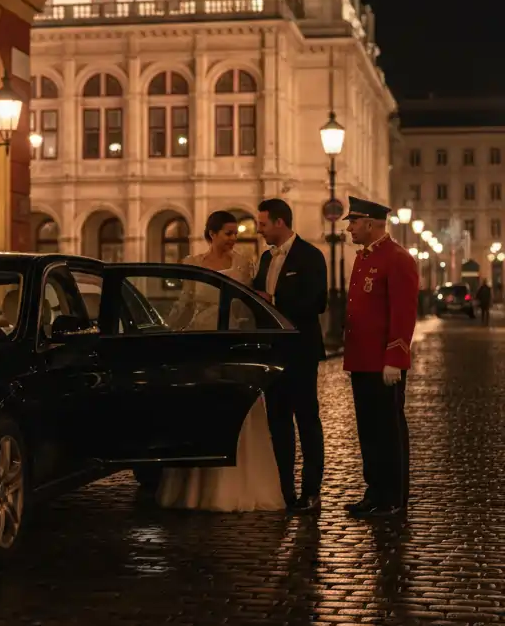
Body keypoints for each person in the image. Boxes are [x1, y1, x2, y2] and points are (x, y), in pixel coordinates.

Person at [156, 210, 286, 513]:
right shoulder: (191, 264)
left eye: (236, 233)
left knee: (236, 409)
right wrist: (166, 333)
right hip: (201, 344)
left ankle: (238, 487)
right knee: (201, 410)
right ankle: (194, 490)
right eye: (228, 233)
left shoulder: (244, 265)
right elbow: (183, 305)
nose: (234, 239)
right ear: (212, 233)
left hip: (232, 344)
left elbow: (249, 306)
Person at [342, 196, 419, 519]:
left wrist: (395, 358)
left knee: (388, 431)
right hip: (362, 360)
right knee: (369, 431)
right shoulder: (365, 258)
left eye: (354, 222)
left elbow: (402, 314)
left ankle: (393, 497)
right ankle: (375, 491)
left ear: (370, 224)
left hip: (382, 363)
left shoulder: (397, 258)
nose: (349, 228)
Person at [253, 198, 329, 514]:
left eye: (263, 224)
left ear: (280, 223)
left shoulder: (311, 256)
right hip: (273, 353)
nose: (260, 231)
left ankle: (311, 490)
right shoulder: (266, 258)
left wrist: (274, 299)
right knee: (278, 421)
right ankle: (285, 489)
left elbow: (317, 302)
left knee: (306, 419)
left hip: (301, 351)